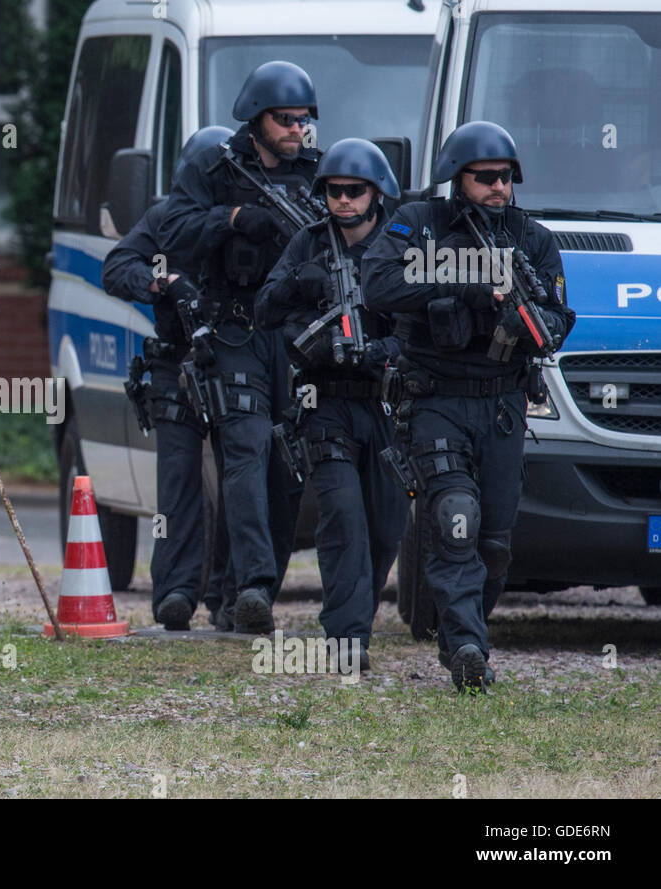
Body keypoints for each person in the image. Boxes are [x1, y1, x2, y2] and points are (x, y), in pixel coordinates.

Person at [362, 121, 575, 691]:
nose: (497, 188)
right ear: (458, 179)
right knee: (456, 519)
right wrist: (461, 284)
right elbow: (376, 285)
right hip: (436, 399)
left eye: (505, 178)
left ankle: (455, 624)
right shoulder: (419, 222)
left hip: (502, 406)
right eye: (485, 178)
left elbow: (558, 317)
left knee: (495, 546)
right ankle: (466, 650)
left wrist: (529, 323)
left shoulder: (531, 239)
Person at [155, 61, 320, 634]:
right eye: (285, 119)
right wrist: (230, 218)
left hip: (295, 336)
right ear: (256, 119)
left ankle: (247, 589)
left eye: (304, 119)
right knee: (245, 447)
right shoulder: (215, 168)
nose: (297, 129)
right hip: (235, 330)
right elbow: (169, 231)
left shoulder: (321, 177)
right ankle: (253, 586)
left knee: (288, 467)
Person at [256, 138, 408, 670]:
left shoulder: (400, 244)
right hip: (326, 405)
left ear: (376, 193)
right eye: (334, 191)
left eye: (354, 191)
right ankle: (348, 640)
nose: (343, 201)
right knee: (342, 518)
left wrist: (383, 351)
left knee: (387, 526)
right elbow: (265, 311)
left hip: (386, 406)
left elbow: (424, 326)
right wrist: (302, 282)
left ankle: (356, 622)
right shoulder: (307, 244)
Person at [103, 125, 235, 631]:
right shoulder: (166, 220)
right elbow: (117, 268)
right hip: (177, 365)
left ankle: (230, 594)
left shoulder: (247, 221)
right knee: (178, 485)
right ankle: (176, 592)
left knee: (239, 486)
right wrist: (160, 282)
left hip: (237, 363)